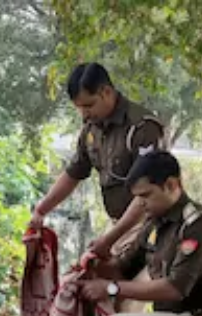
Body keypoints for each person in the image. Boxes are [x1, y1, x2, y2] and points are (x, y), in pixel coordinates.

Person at [78, 152, 202, 316]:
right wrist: (97, 263)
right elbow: (123, 269)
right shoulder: (154, 223)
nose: (140, 204)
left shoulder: (198, 224)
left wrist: (110, 288)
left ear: (171, 185)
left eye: (145, 195)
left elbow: (175, 289)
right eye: (137, 197)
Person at [29, 63, 165, 259]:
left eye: (88, 105)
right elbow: (74, 173)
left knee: (101, 282)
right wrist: (41, 210)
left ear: (106, 92)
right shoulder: (91, 129)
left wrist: (109, 240)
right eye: (78, 108)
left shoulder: (141, 128)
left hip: (148, 225)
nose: (84, 114)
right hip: (119, 225)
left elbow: (147, 195)